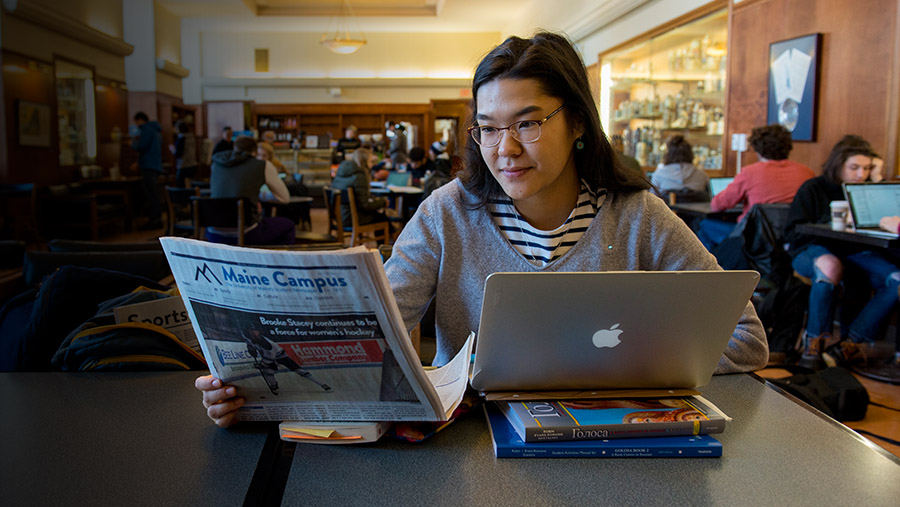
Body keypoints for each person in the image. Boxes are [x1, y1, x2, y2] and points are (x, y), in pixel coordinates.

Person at [196, 32, 767, 427]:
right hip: (472, 448)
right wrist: (249, 389)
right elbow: (376, 334)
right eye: (488, 128)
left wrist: (615, 367)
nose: (506, 149)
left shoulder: (638, 217)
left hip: (617, 441)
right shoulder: (447, 214)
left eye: (528, 124)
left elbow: (746, 338)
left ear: (578, 125)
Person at [784, 137, 898, 369]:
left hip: (856, 251)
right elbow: (794, 233)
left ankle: (849, 344)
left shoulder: (865, 191)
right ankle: (812, 346)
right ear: (838, 164)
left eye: (867, 168)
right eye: (854, 167)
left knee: (897, 279)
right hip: (812, 249)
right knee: (830, 266)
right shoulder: (814, 188)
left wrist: (876, 180)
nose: (860, 174)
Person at [698, 124, 814, 251]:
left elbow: (717, 205)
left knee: (704, 225)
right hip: (792, 239)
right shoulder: (807, 173)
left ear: (757, 149)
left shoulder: (750, 173)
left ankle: (720, 268)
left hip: (752, 238)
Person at [209, 136, 295, 246]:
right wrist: (259, 196)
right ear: (254, 152)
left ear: (234, 148)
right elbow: (284, 198)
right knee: (288, 225)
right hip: (247, 233)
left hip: (213, 234)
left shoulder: (216, 164)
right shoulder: (262, 165)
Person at [331, 147, 390, 227]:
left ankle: (393, 236)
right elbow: (365, 205)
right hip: (351, 218)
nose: (372, 164)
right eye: (370, 161)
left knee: (379, 216)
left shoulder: (342, 172)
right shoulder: (359, 176)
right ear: (364, 162)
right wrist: (383, 202)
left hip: (340, 216)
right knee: (381, 217)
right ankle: (394, 237)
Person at [131, 112, 164, 230]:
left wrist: (133, 142)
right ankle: (156, 219)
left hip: (148, 166)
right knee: (154, 194)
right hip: (155, 165)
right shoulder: (156, 131)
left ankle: (154, 220)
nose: (136, 124)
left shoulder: (146, 130)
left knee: (151, 195)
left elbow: (141, 146)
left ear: (140, 120)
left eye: (136, 121)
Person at [650, 135, 709, 201]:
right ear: (690, 153)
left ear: (668, 154)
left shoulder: (658, 175)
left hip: (667, 210)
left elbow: (652, 201)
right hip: (697, 210)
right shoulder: (702, 175)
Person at [172, 121, 199, 188]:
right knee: (189, 187)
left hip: (184, 165)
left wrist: (172, 149)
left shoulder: (181, 138)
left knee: (181, 188)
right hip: (193, 165)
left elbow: (178, 154)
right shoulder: (191, 137)